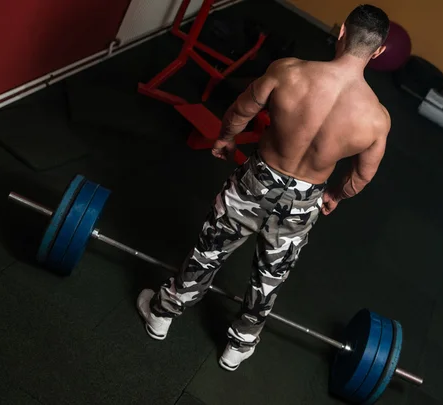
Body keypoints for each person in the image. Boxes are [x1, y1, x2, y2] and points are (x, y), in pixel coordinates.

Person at [137, 4, 391, 371]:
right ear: (379, 51)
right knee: (270, 276)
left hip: (258, 179)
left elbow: (241, 110)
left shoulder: (288, 71)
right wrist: (335, 195)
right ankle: (238, 346)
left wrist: (226, 140)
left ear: (340, 33)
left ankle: (163, 313)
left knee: (210, 249)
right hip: (305, 200)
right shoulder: (377, 118)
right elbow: (362, 176)